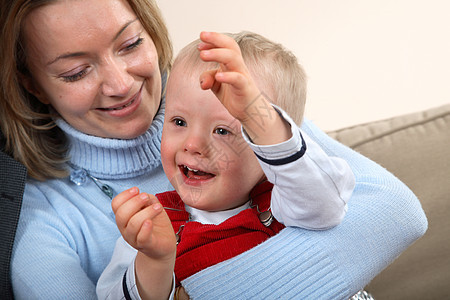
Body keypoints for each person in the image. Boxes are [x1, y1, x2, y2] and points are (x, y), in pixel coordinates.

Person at [0, 0, 427, 299]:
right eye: (76, 72)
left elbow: (395, 214)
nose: (121, 84)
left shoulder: (228, 97)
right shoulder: (46, 220)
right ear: (32, 84)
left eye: (130, 44)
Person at [99, 31, 355, 299]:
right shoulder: (153, 224)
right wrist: (155, 261)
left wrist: (260, 118)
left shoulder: (286, 202)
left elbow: (325, 204)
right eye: (179, 122)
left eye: (222, 131)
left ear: (264, 145)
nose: (193, 144)